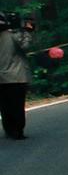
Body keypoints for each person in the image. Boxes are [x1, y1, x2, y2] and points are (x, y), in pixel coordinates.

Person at [0, 12, 32, 140]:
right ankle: (18, 130)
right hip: (16, 75)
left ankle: (9, 129)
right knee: (17, 105)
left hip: (1, 77)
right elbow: (25, 46)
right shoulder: (13, 34)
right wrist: (27, 32)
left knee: (4, 105)